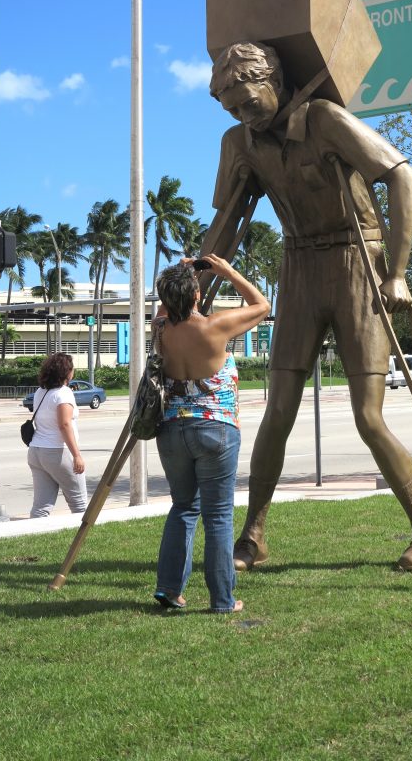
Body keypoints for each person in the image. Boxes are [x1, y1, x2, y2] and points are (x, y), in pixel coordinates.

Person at [200, 41, 412, 575]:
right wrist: (191, 289)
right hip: (299, 269)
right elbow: (225, 224)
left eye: (249, 102)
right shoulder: (239, 143)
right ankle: (254, 535)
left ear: (275, 81)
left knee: (368, 416)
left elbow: (402, 175)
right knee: (277, 412)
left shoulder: (324, 119)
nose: (244, 116)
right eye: (232, 109)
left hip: (358, 262)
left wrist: (398, 273)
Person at [153, 254, 269, 613]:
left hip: (172, 429)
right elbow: (262, 305)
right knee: (218, 515)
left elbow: (168, 304)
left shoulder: (160, 328)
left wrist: (180, 277)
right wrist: (227, 271)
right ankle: (222, 599)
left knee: (183, 508)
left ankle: (169, 589)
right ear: (197, 296)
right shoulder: (214, 327)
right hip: (215, 428)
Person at [27, 352, 87, 519]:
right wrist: (77, 455)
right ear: (67, 372)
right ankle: (83, 535)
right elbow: (64, 424)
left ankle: (35, 534)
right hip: (57, 452)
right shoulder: (64, 393)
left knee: (41, 507)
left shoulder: (40, 391)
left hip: (36, 452)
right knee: (79, 503)